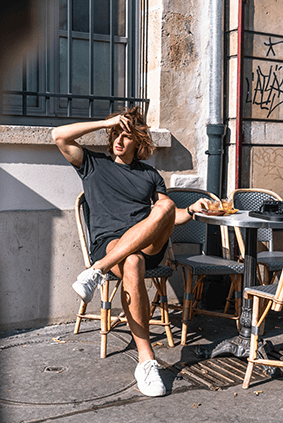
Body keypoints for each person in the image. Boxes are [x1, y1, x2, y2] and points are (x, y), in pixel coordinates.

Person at [52, 107, 210, 397]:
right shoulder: (92, 164)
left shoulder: (149, 175)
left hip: (147, 245)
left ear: (139, 142)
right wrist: (107, 121)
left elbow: (168, 217)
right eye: (116, 135)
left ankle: (95, 272)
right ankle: (147, 361)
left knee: (165, 205)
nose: (119, 141)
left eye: (127, 137)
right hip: (110, 245)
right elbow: (58, 135)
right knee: (133, 262)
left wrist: (191, 210)